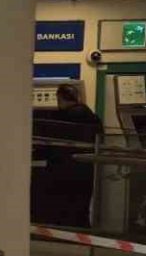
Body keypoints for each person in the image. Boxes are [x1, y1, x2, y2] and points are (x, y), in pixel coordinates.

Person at [32, 83, 102, 227]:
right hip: (85, 171)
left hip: (60, 171)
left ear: (60, 98)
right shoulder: (93, 118)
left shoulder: (59, 118)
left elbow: (46, 145)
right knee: (79, 209)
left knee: (57, 210)